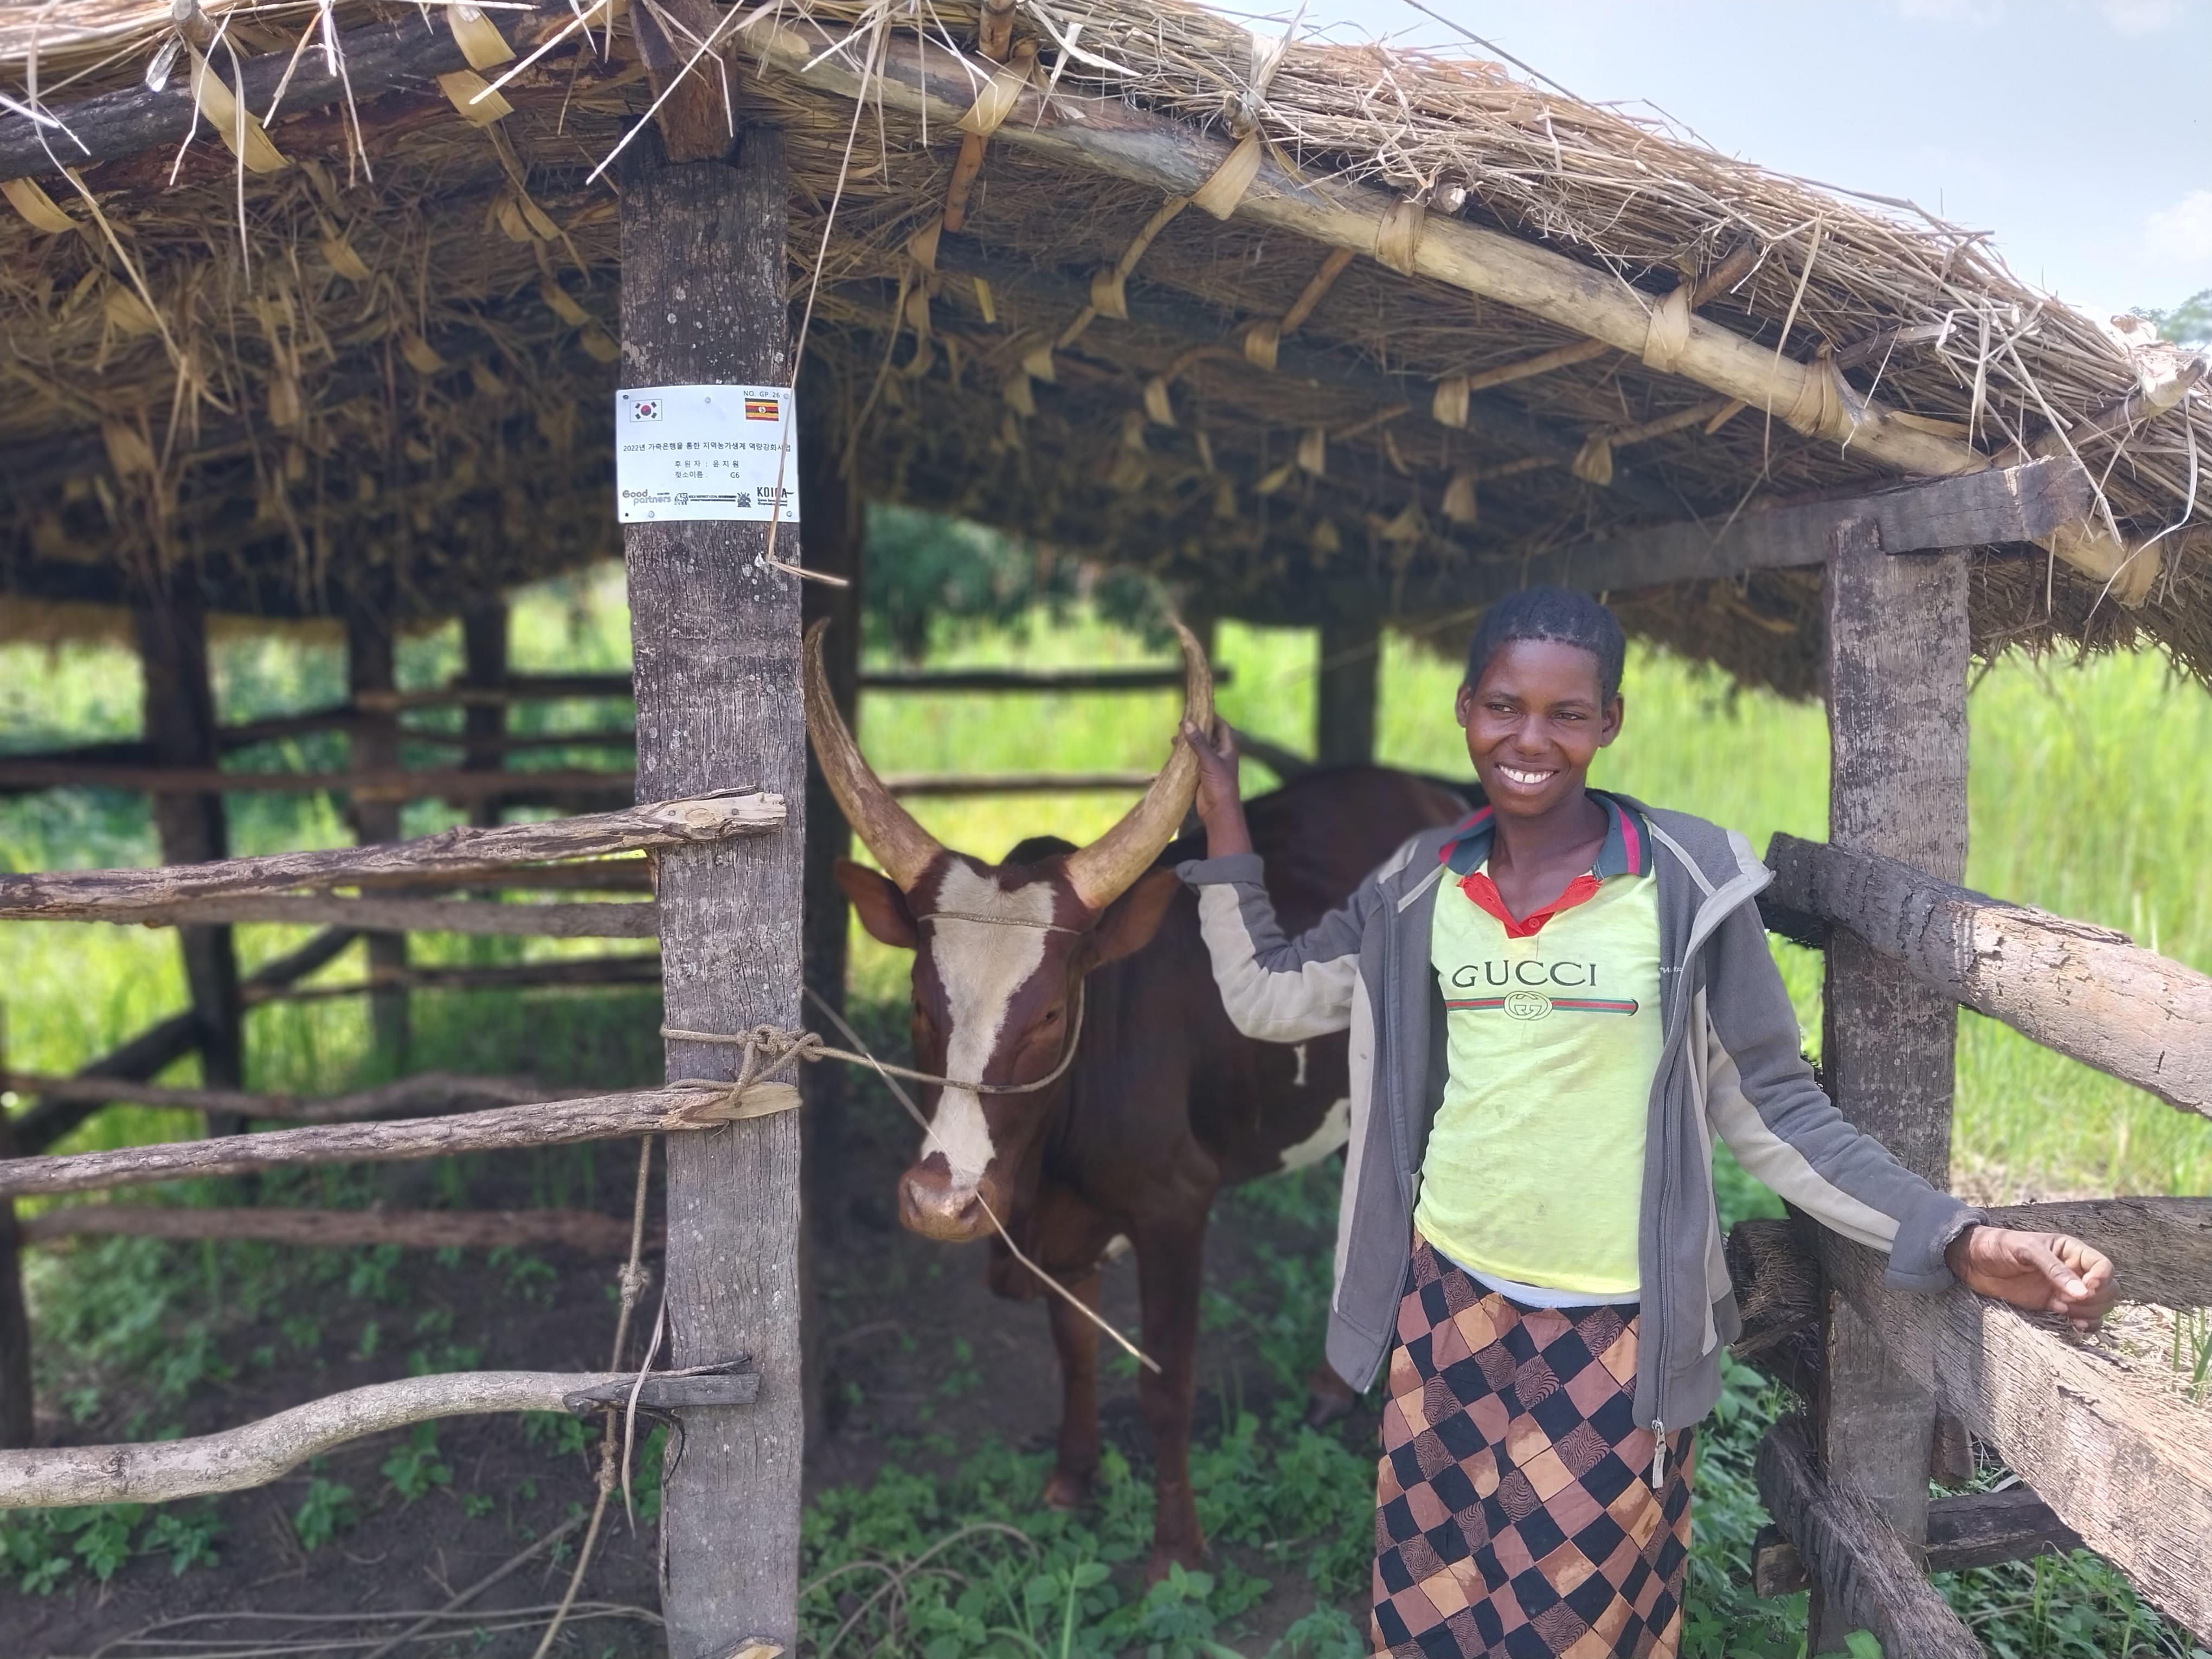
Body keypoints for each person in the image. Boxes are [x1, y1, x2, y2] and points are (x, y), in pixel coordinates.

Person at [1176, 588, 2114, 1659]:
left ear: (1610, 721)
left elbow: (1779, 1107)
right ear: (1466, 708)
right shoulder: (1418, 886)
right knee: (1430, 1615)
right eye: (1504, 706)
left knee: (1568, 1629)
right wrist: (1224, 811)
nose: (1530, 739)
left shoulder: (1682, 888)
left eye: (1567, 714)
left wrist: (1958, 1237)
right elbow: (1270, 996)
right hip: (1446, 1309)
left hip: (1615, 1335)